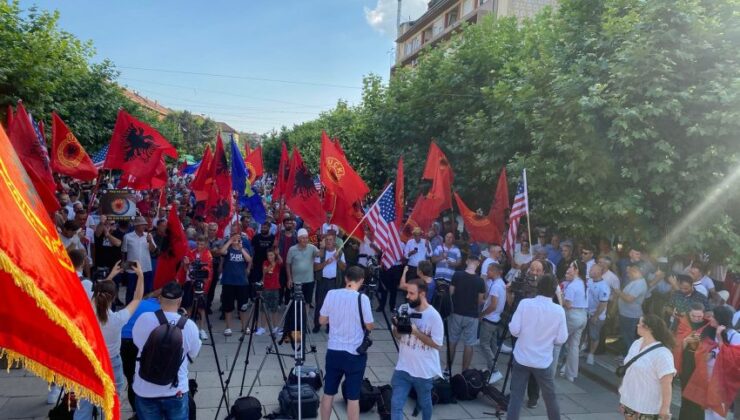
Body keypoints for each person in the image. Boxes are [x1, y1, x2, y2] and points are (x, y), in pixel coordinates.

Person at [75, 261, 143, 420]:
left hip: (88, 361)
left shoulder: (85, 314)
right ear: (113, 298)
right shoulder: (117, 319)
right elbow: (137, 298)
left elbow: (95, 294)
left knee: (84, 404)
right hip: (111, 363)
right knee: (111, 406)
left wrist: (111, 275)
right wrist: (140, 275)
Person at [132, 282, 201, 420]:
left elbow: (138, 343)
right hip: (176, 389)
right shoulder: (189, 326)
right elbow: (193, 354)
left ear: (160, 299)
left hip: (145, 389)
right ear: (180, 301)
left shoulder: (144, 319)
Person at [506, 274, 568, 420]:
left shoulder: (525, 304)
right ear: (554, 291)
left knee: (516, 397)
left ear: (537, 287)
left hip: (522, 357)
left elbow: (514, 330)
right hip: (543, 360)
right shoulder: (559, 311)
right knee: (550, 397)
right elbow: (561, 339)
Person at [318, 266, 374, 420]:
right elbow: (369, 325)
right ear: (361, 280)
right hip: (355, 353)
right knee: (353, 397)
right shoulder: (362, 299)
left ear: (345, 278)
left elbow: (322, 320)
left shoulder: (331, 294)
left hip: (334, 350)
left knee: (328, 393)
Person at [390, 278, 444, 420]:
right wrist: (397, 327)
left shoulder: (434, 317)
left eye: (411, 293)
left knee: (425, 403)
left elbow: (437, 344)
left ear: (422, 294)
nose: (407, 296)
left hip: (423, 371)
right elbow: (397, 336)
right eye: (407, 292)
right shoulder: (404, 309)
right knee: (396, 404)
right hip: (403, 367)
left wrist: (416, 332)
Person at [618, 314, 675, 420]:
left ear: (648, 328)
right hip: (629, 401)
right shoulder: (636, 343)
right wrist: (623, 397)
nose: (637, 325)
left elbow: (667, 384)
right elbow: (629, 371)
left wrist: (665, 409)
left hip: (648, 407)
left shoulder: (663, 354)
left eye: (639, 323)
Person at [121, 295, 161, 418]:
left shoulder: (138, 303)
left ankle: (135, 411)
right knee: (143, 377)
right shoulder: (159, 309)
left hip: (123, 342)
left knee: (130, 378)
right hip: (139, 343)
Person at [447, 254, 486, 372]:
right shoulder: (480, 281)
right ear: (478, 264)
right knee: (469, 344)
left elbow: (451, 293)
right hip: (472, 315)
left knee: (452, 341)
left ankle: (447, 369)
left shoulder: (457, 275)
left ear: (467, 261)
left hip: (457, 312)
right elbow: (480, 301)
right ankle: (464, 371)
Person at [559, 259, 588, 381]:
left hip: (573, 315)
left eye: (572, 266)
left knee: (558, 341)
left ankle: (550, 368)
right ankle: (571, 374)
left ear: (576, 270)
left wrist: (560, 296)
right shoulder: (582, 283)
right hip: (583, 316)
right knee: (574, 346)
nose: (569, 268)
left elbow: (568, 304)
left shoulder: (573, 285)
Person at [219, 232, 253, 336]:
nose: (236, 241)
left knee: (242, 307)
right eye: (235, 239)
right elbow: (221, 251)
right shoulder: (228, 250)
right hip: (228, 281)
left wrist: (241, 248)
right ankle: (228, 327)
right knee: (228, 306)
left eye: (238, 239)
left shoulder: (244, 250)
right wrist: (230, 241)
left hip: (241, 282)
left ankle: (244, 326)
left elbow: (249, 259)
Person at [613, 263, 649, 358]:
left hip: (631, 316)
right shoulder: (635, 281)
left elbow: (629, 299)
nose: (628, 275)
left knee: (629, 338)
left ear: (635, 271)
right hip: (626, 314)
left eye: (629, 272)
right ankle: (625, 356)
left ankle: (629, 358)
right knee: (625, 337)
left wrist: (618, 292)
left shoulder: (640, 284)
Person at [181, 235, 213, 340]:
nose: (200, 246)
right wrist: (186, 264)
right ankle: (188, 328)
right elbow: (186, 268)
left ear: (206, 244)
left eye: (202, 244)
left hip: (202, 284)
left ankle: (201, 329)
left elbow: (207, 270)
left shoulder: (208, 255)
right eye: (198, 244)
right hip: (190, 283)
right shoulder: (191, 252)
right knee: (189, 306)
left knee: (201, 307)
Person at [312, 232, 346, 333]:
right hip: (322, 281)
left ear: (334, 241)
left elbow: (344, 268)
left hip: (334, 282)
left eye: (330, 240)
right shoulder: (321, 252)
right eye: (326, 240)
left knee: (333, 305)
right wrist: (325, 263)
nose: (328, 242)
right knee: (319, 304)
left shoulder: (340, 252)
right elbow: (315, 267)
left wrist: (337, 259)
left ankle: (329, 326)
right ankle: (317, 325)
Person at [478, 263, 507, 384]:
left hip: (490, 319)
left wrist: (482, 314)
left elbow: (493, 305)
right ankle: (491, 368)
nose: (487, 273)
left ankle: (494, 370)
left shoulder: (495, 286)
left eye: (489, 271)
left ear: (495, 272)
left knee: (484, 344)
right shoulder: (501, 284)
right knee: (493, 345)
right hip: (496, 320)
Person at [122, 216, 156, 303]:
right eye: (142, 225)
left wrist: (150, 241)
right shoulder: (127, 237)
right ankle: (128, 308)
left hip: (146, 267)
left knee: (146, 290)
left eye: (144, 225)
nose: (144, 226)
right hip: (132, 267)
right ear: (136, 226)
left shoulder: (149, 236)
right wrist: (123, 266)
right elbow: (124, 252)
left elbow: (153, 250)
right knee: (130, 289)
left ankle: (144, 307)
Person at [286, 228, 320, 311]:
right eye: (303, 238)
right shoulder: (292, 249)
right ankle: (296, 322)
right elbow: (288, 264)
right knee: (296, 303)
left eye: (306, 238)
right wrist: (289, 278)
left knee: (307, 302)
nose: (305, 240)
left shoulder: (312, 248)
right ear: (298, 239)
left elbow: (320, 254)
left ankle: (305, 322)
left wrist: (322, 247)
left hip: (309, 281)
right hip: (296, 282)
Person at [585, 264, 610, 365]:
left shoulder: (604, 287)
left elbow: (603, 304)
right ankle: (585, 350)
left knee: (594, 336)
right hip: (586, 312)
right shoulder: (590, 281)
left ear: (599, 272)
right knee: (586, 333)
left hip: (597, 316)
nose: (590, 271)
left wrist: (595, 316)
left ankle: (591, 354)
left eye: (592, 270)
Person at [261, 249, 283, 335]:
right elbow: (265, 271)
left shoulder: (277, 262)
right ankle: (263, 327)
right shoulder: (265, 263)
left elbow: (281, 261)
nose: (270, 257)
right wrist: (271, 264)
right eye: (268, 255)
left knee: (275, 309)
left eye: (272, 255)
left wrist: (278, 254)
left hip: (275, 288)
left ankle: (275, 327)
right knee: (264, 309)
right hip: (266, 288)